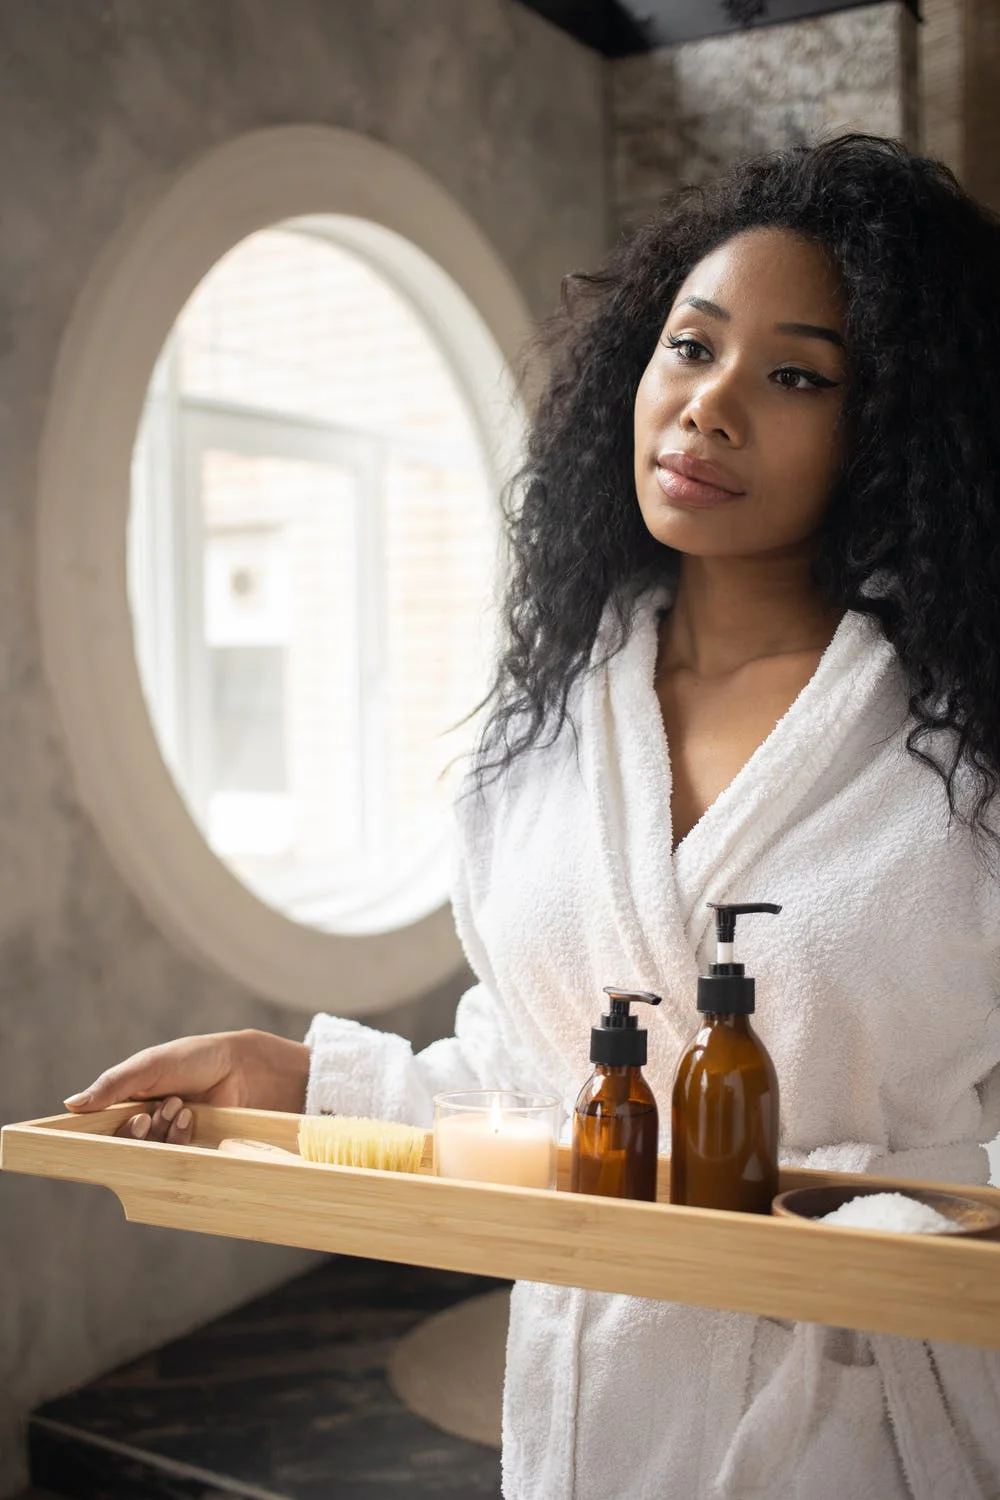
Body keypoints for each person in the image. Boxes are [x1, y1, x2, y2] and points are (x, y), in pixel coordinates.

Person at [65, 134, 1000, 1498]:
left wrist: (893, 1236)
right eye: (692, 347)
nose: (712, 406)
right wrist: (292, 1077)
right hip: (609, 1400)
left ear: (895, 428)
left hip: (884, 1400)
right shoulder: (554, 734)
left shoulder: (960, 744)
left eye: (797, 375)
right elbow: (537, 1082)